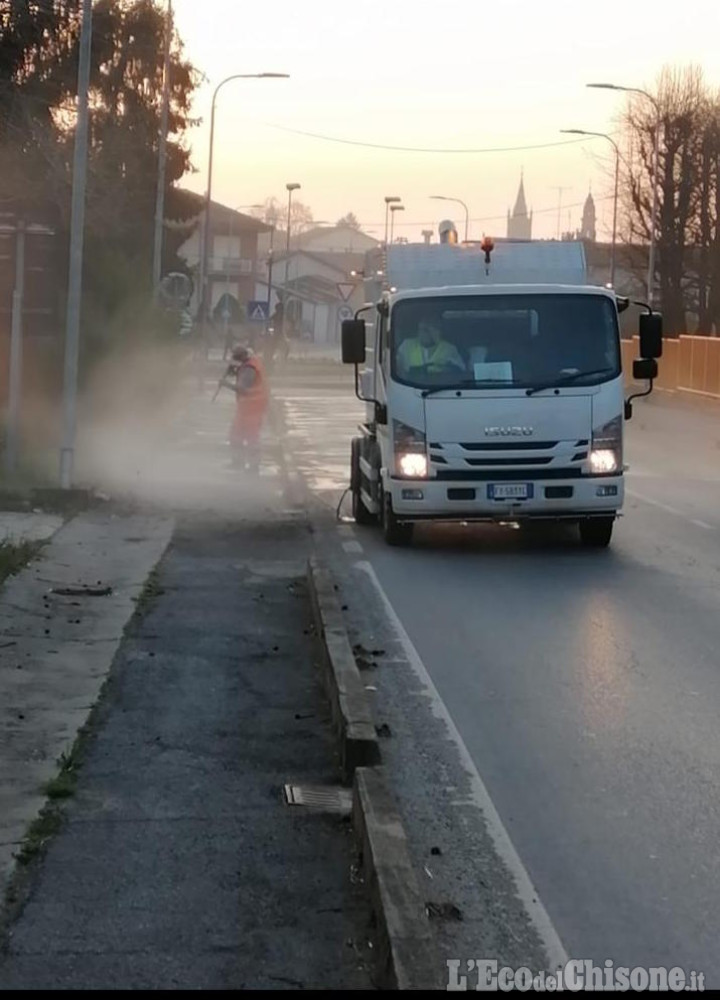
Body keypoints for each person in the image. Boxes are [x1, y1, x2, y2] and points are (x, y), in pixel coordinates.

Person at [219, 346, 270, 472]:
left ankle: (253, 466)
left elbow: (243, 388)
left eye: (235, 358)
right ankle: (238, 462)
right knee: (236, 435)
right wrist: (235, 371)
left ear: (241, 357)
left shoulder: (249, 369)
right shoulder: (250, 363)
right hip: (248, 407)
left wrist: (226, 384)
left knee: (251, 438)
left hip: (252, 408)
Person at [396, 319, 465, 377]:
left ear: (439, 331)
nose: (426, 333)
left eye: (430, 329)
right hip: (409, 387)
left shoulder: (449, 349)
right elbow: (397, 367)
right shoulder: (407, 345)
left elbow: (460, 371)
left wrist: (447, 369)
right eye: (423, 329)